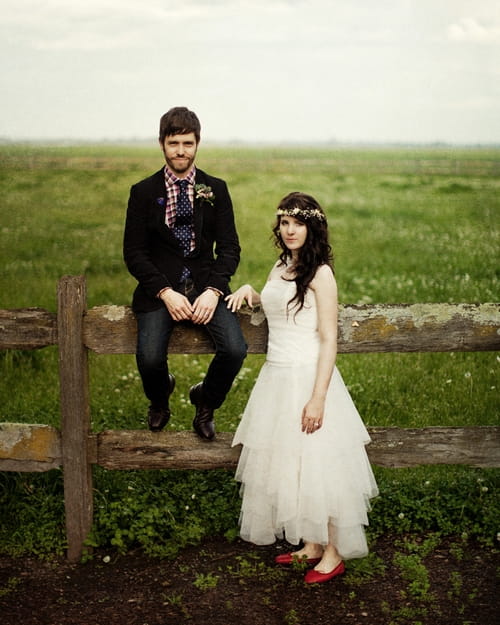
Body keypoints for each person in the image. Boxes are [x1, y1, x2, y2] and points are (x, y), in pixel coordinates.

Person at [226, 192, 378, 584]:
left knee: (319, 466)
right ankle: (310, 545)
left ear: (312, 227)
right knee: (291, 464)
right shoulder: (282, 265)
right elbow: (277, 305)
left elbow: (329, 338)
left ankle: (333, 553)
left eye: (297, 223)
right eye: (284, 223)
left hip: (307, 377)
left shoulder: (321, 274)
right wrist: (251, 292)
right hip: (276, 377)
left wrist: (318, 397)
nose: (289, 230)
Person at [124, 107, 247, 440]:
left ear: (198, 143)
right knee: (149, 359)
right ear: (162, 143)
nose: (181, 151)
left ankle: (205, 401)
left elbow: (230, 249)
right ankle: (160, 398)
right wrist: (164, 292)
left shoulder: (215, 189)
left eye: (188, 143)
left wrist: (214, 291)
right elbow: (134, 253)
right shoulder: (143, 192)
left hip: (206, 287)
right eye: (174, 143)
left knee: (235, 349)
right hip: (159, 292)